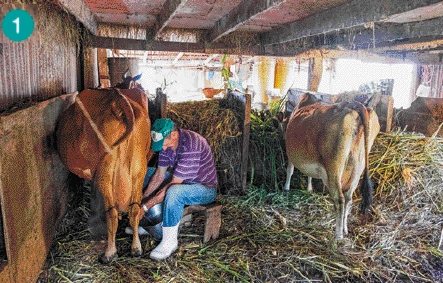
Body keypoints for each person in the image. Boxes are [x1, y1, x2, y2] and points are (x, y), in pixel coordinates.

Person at [127, 118, 217, 260]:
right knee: (147, 173)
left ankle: (170, 241)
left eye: (163, 144)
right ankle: (147, 223)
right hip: (183, 180)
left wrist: (144, 208)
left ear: (174, 135)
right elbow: (159, 174)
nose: (162, 149)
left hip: (204, 188)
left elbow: (175, 183)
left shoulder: (192, 144)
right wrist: (141, 200)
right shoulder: (166, 145)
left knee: (174, 192)